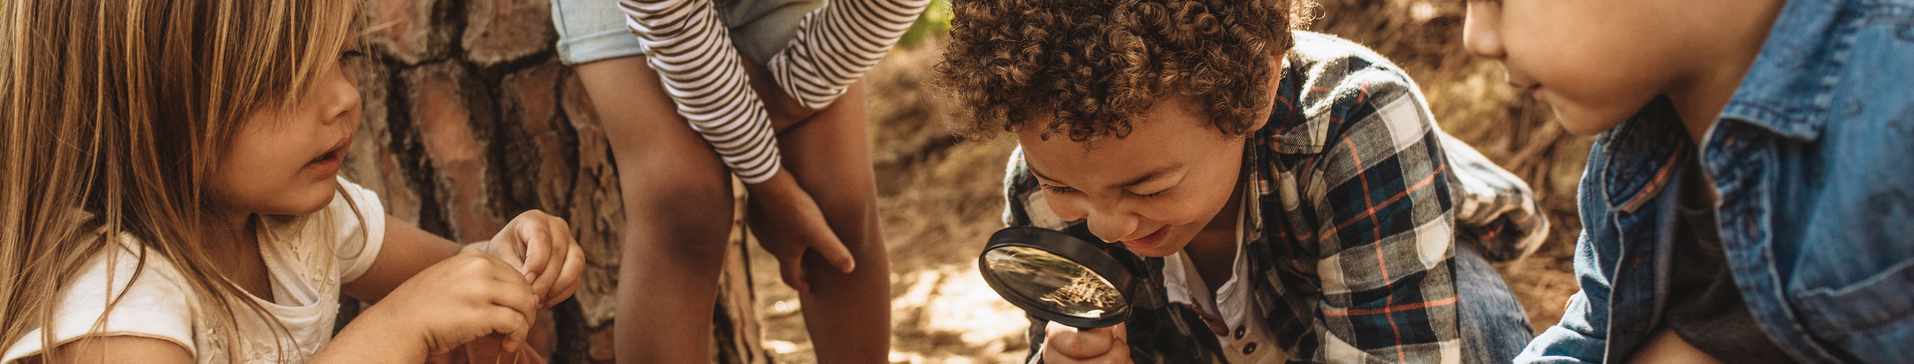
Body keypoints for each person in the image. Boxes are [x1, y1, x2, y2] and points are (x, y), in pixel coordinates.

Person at [935, 0, 1550, 362]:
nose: (1105, 224)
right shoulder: (1041, 196)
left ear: (1257, 87)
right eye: (1065, 188)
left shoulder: (1355, 120)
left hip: (1389, 299)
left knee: (1472, 318)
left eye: (1148, 188)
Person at [0, 0, 585, 363]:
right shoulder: (117, 308)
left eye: (346, 55)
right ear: (143, 104)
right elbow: (413, 311)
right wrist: (399, 328)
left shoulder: (304, 222)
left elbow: (451, 276)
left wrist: (506, 260)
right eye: (286, 75)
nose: (347, 98)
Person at [1463, 0, 1914, 362]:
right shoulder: (1631, 159)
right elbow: (1592, 333)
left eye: (1497, 1)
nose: (1476, 38)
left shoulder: (1893, 102)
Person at [551, 0, 926, 361]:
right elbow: (668, 17)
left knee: (839, 203)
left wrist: (790, 96)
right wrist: (771, 185)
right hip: (638, 10)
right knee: (685, 203)